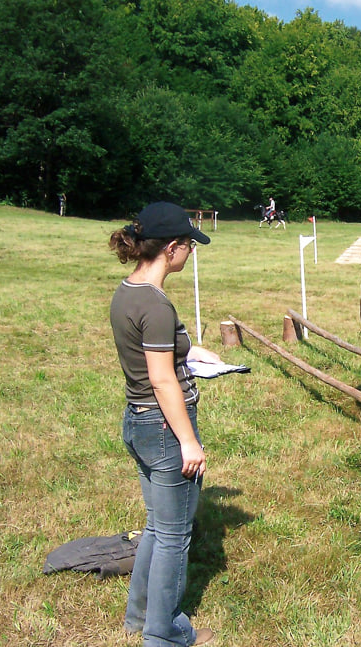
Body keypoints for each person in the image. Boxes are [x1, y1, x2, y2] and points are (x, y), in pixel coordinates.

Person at [108, 202, 217, 647]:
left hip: (138, 421)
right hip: (164, 428)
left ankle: (139, 618)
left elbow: (155, 356)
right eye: (189, 245)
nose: (191, 253)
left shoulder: (126, 291)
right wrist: (189, 442)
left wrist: (192, 353)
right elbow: (159, 377)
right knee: (175, 536)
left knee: (157, 526)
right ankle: (165, 635)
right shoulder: (155, 304)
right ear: (171, 248)